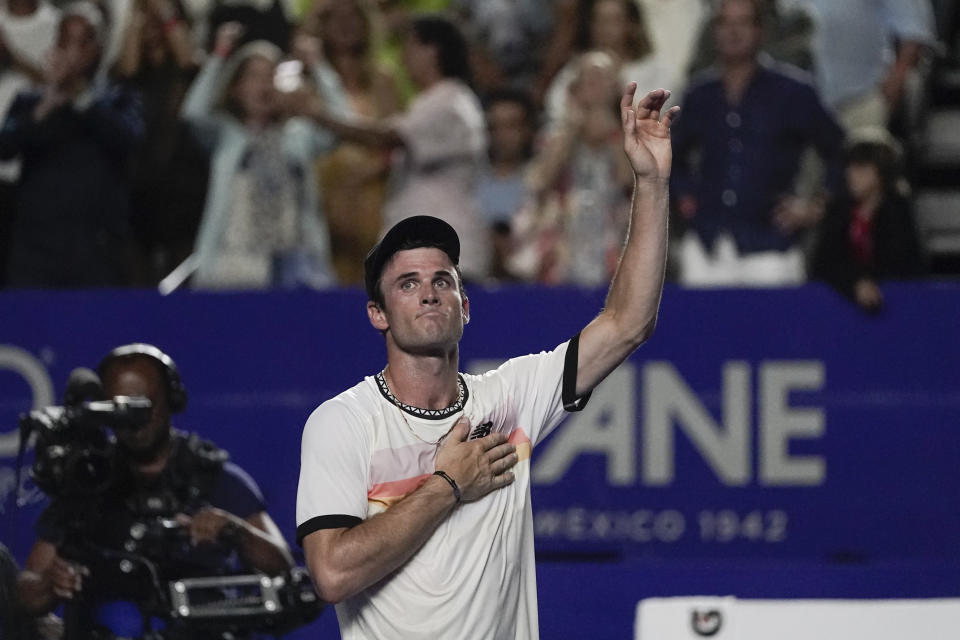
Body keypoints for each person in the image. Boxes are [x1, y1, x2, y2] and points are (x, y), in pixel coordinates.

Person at [296, 83, 678, 638]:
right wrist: (446, 485)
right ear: (377, 313)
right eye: (407, 284)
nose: (428, 293)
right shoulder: (343, 423)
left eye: (441, 281)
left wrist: (652, 183)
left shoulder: (510, 397)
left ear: (465, 306)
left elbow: (627, 324)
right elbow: (331, 573)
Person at [16, 343, 293, 639]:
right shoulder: (89, 481)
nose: (135, 422)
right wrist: (51, 584)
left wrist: (235, 531)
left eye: (144, 405)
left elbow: (282, 566)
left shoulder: (213, 478)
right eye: (121, 408)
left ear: (172, 399)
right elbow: (27, 590)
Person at [669, 0, 844, 286]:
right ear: (714, 31)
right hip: (707, 245)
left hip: (770, 247)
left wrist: (815, 206)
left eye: (743, 23)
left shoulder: (793, 92)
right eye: (725, 23)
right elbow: (672, 154)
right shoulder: (700, 94)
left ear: (760, 31)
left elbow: (839, 149)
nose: (733, 32)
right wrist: (685, 194)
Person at [307, 13, 492, 281]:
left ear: (433, 50)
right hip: (424, 250)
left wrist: (316, 114)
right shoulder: (429, 102)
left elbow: (385, 137)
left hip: (446, 250)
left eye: (410, 46)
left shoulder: (450, 102)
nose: (404, 56)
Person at [181, 21, 347, 290]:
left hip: (293, 270)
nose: (264, 85)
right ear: (235, 88)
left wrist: (318, 66)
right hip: (232, 269)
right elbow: (193, 113)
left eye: (271, 75)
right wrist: (219, 56)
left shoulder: (299, 136)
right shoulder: (226, 136)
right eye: (253, 76)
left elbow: (342, 125)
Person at [0, 1, 144, 288]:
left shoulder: (118, 99)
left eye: (83, 42)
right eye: (67, 42)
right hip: (36, 251)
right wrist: (44, 106)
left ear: (98, 49)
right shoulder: (31, 100)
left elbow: (128, 139)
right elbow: (5, 148)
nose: (74, 52)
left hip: (95, 251)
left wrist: (81, 98)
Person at [810, 128, 925, 312]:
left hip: (897, 310)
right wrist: (855, 282)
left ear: (880, 173)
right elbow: (822, 264)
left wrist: (873, 282)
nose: (851, 174)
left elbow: (908, 265)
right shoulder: (839, 211)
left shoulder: (899, 212)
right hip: (838, 311)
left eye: (860, 168)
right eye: (850, 167)